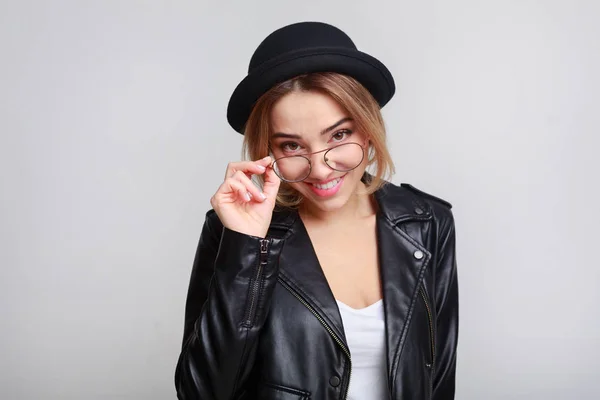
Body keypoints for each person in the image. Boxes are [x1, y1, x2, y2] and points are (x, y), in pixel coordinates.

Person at [175, 21, 458, 400]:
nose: (321, 169)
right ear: (268, 153)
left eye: (339, 135)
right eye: (292, 146)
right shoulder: (236, 231)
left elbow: (438, 379)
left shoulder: (426, 223)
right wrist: (246, 248)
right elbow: (203, 393)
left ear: (368, 130)